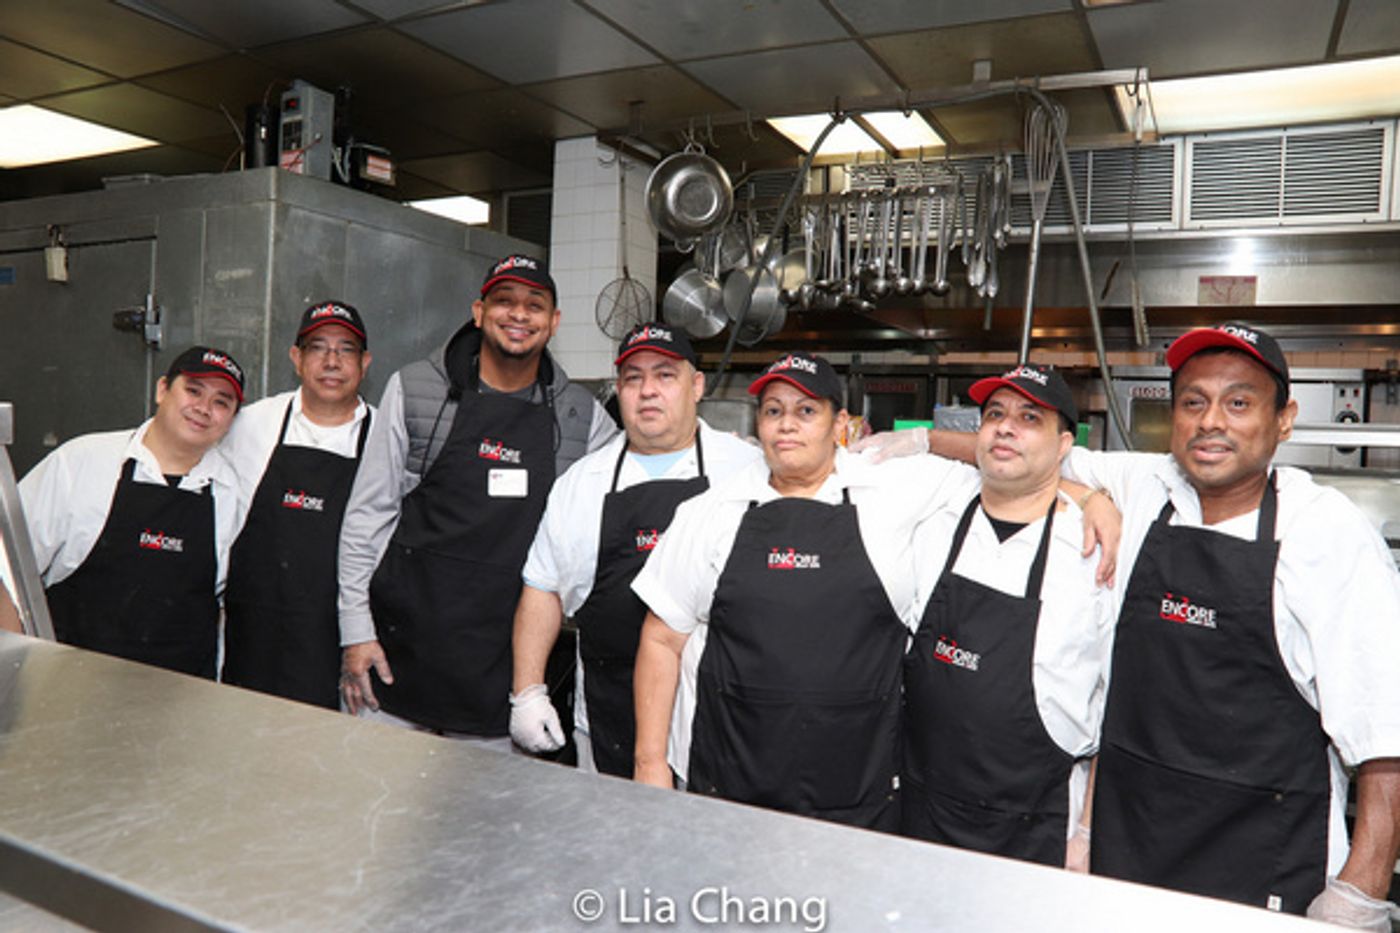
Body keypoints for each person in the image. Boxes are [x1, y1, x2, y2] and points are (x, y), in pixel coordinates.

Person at [631, 351, 1114, 829]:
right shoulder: (711, 510)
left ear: (838, 422)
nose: (786, 425)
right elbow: (660, 638)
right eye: (773, 411)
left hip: (859, 791)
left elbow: (1007, 468)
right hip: (727, 780)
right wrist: (649, 765)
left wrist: (1088, 495)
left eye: (805, 411)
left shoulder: (895, 487)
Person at [1061, 323, 1400, 926]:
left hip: (1261, 863)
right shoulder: (1150, 491)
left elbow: (1385, 736)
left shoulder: (1325, 532)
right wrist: (916, 441)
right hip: (1128, 852)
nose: (1211, 421)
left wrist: (1360, 891)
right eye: (1193, 402)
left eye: (1238, 402)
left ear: (1285, 418)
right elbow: (1040, 457)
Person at [337, 255, 617, 744]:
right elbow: (368, 517)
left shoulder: (580, 417)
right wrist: (356, 631)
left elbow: (621, 493)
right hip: (398, 658)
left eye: (535, 305)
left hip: (502, 674)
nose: (518, 315)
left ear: (553, 322)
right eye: (504, 301)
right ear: (479, 312)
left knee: (482, 817)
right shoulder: (416, 389)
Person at [509, 322, 760, 774]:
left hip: (722, 717)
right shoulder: (582, 483)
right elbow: (541, 587)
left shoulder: (748, 470)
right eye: (633, 378)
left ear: (696, 385)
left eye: (665, 375)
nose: (648, 391)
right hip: (608, 716)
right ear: (618, 389)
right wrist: (528, 692)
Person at [901, 364, 1112, 870]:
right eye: (994, 413)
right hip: (918, 813)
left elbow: (1119, 700)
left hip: (1033, 825)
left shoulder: (1091, 549)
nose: (1005, 426)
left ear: (1064, 446)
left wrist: (1086, 831)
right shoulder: (936, 519)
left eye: (1029, 417)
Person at [19, 346, 245, 677]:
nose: (204, 408)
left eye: (221, 402)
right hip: (68, 692)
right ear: (162, 389)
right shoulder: (82, 462)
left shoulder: (233, 494)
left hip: (183, 704)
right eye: (193, 390)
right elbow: (7, 571)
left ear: (232, 420)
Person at [219, 301, 373, 708]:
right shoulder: (250, 425)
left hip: (335, 636)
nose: (332, 361)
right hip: (254, 633)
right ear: (296, 358)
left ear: (365, 362)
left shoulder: (384, 438)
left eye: (346, 349)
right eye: (318, 347)